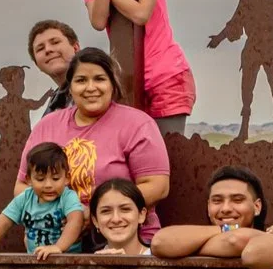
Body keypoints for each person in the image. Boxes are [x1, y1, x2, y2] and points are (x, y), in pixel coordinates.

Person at [20, 48, 172, 241]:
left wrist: (94, 213)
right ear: (70, 87)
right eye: (81, 80)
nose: (90, 88)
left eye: (99, 79)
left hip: (126, 241)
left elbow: (158, 186)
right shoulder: (47, 126)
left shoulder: (137, 124)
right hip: (56, 240)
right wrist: (55, 213)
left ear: (112, 84)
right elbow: (22, 185)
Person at [76, 0, 196, 131]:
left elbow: (141, 14)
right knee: (135, 152)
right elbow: (98, 20)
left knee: (169, 151)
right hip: (129, 81)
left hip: (166, 75)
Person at [0, 144, 85, 257]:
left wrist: (58, 247)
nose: (48, 185)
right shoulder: (25, 198)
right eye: (40, 179)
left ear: (67, 178)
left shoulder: (68, 197)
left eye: (55, 178)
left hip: (68, 261)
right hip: (35, 260)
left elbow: (76, 221)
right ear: (29, 180)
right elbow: (2, 222)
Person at [149, 167, 268, 259]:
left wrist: (185, 248)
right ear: (208, 207)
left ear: (257, 206)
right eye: (217, 201)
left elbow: (235, 241)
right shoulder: (217, 231)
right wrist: (226, 229)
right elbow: (159, 242)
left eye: (237, 200)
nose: (225, 208)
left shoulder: (271, 238)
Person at [27, 18, 81, 117]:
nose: (48, 50)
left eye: (55, 42)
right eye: (40, 48)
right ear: (37, 64)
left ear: (76, 48)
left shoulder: (106, 87)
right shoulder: (52, 109)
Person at [88, 178, 151, 255]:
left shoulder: (159, 261)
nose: (116, 219)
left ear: (141, 215)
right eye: (106, 211)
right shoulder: (88, 264)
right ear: (95, 220)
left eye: (125, 209)